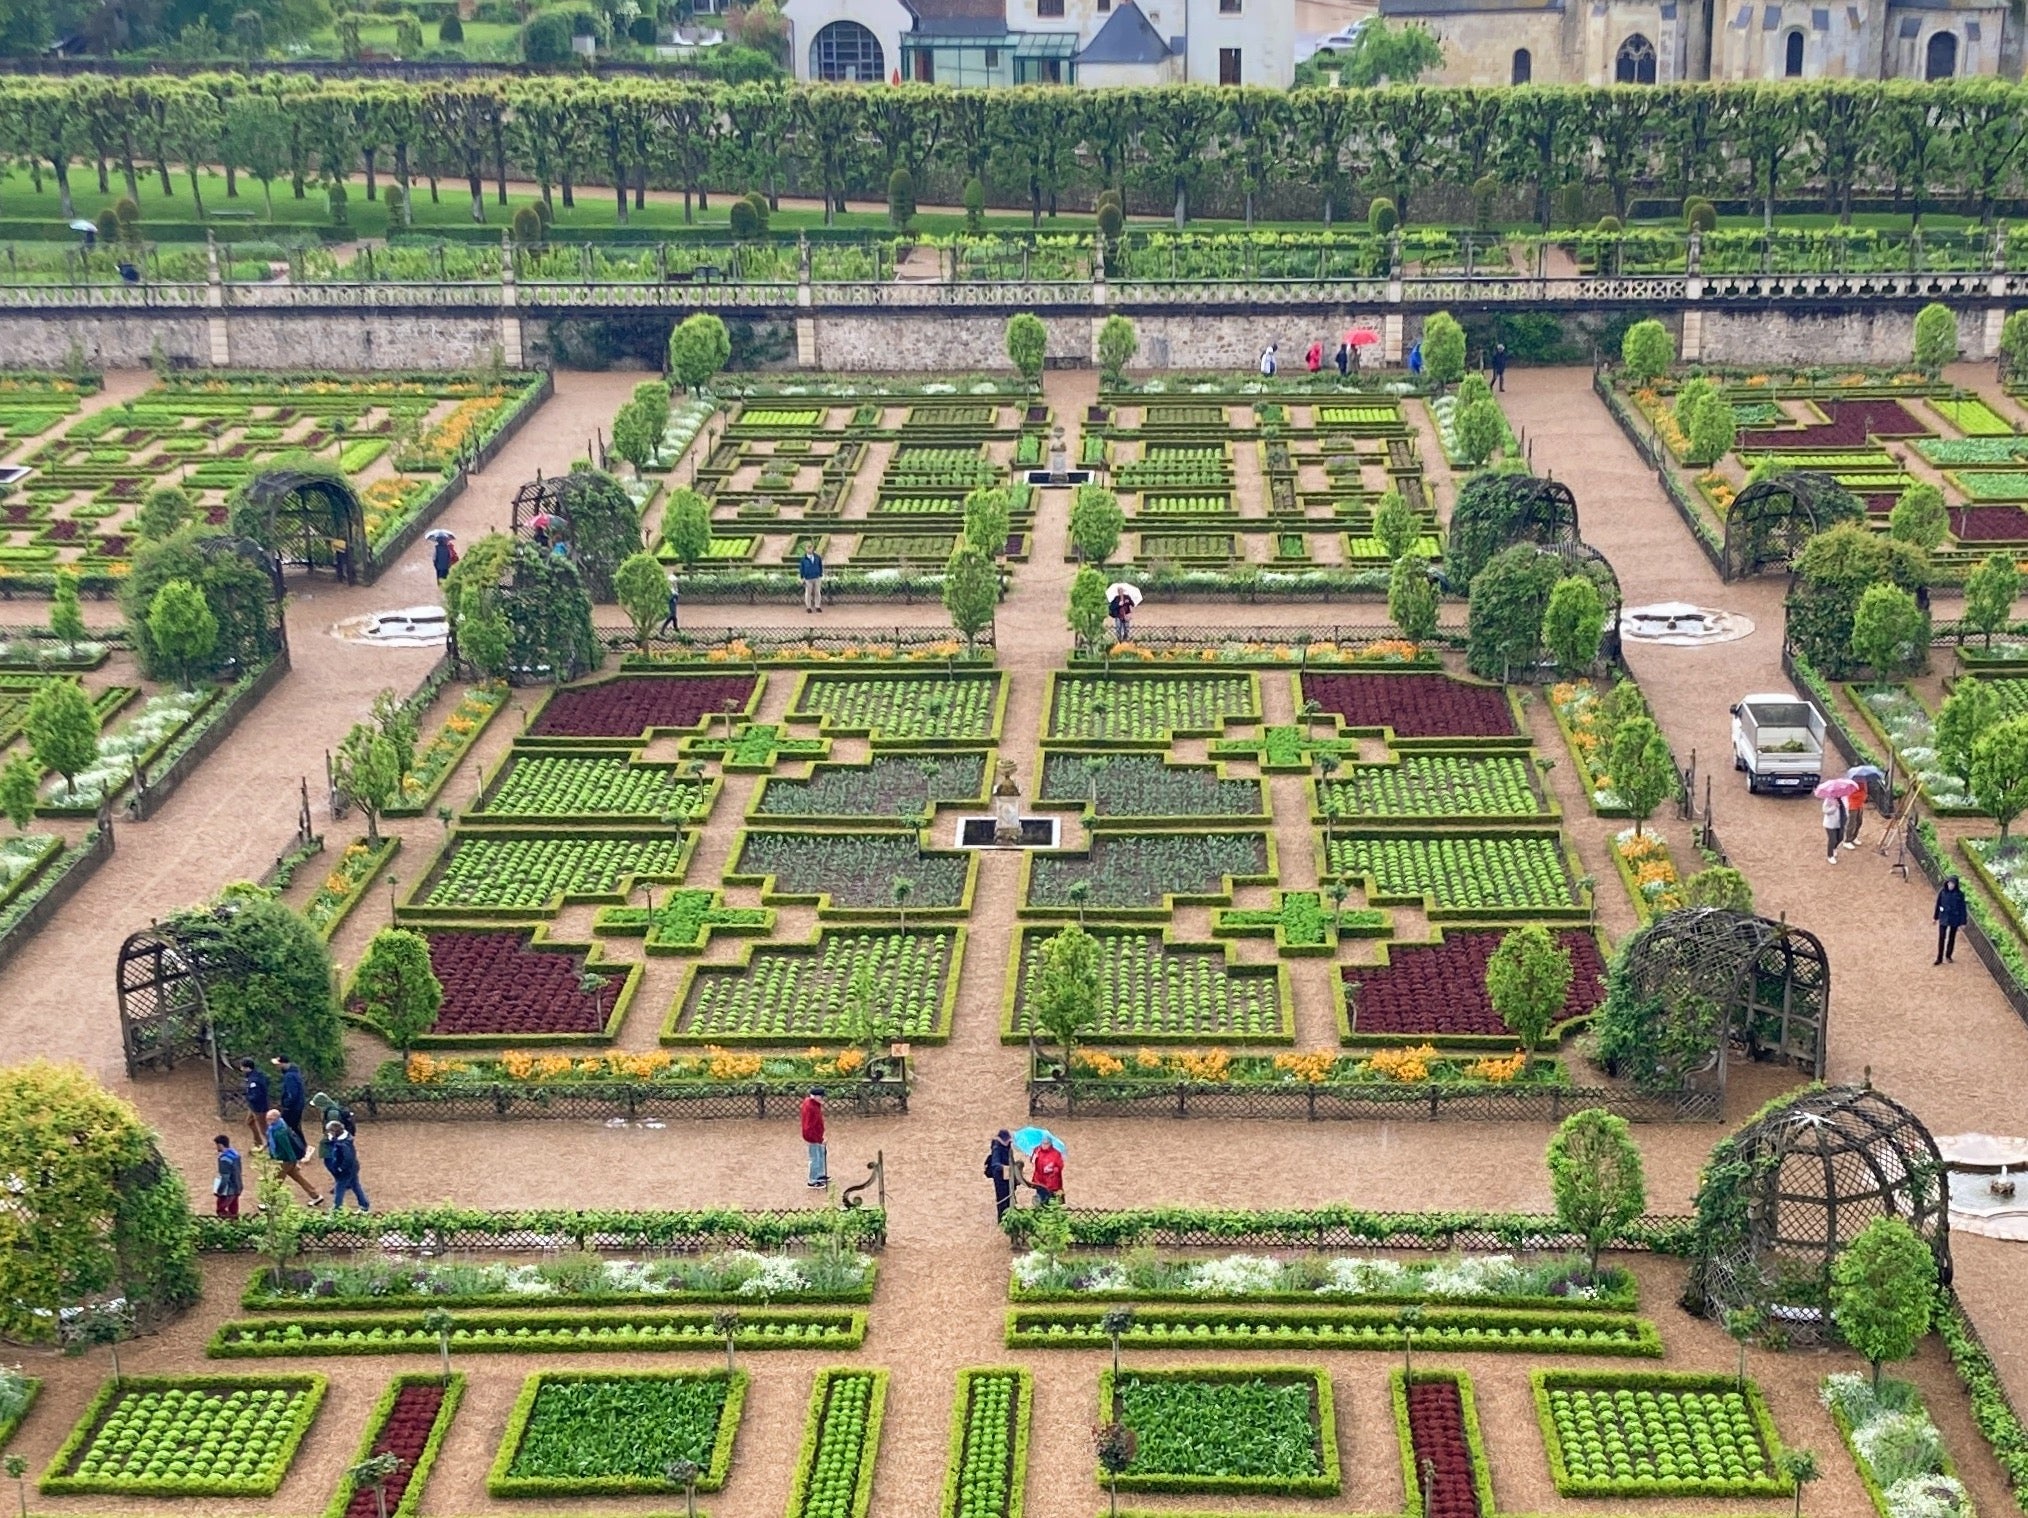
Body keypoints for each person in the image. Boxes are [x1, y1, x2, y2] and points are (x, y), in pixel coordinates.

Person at [265, 1108, 321, 1204]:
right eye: (268, 1119)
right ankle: (315, 1195)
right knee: (297, 1177)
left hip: (285, 1160)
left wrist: (294, 1161)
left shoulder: (280, 1132)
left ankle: (269, 1201)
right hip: (286, 1159)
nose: (268, 1121)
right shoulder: (278, 1126)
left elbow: (288, 1148)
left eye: (271, 1119)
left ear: (277, 1119)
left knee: (276, 1180)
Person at [320, 1120, 369, 1212]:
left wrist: (340, 1168)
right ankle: (364, 1206)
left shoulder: (342, 1144)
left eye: (330, 1131)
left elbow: (348, 1158)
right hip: (353, 1168)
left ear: (335, 1132)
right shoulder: (344, 1140)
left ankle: (336, 1210)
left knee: (339, 1188)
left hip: (346, 1170)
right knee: (355, 1185)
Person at [273, 1056, 306, 1148]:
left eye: (278, 1064)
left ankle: (300, 1146)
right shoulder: (293, 1074)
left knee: (290, 1126)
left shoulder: (289, 1076)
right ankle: (300, 1145)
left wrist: (286, 1105)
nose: (277, 1067)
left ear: (283, 1063)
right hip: (296, 1105)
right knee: (293, 1126)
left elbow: (292, 1093)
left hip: (293, 1107)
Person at [1935, 877, 1969, 964]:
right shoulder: (1942, 892)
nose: (1951, 885)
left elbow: (1962, 909)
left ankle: (1948, 955)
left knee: (1952, 938)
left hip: (1954, 918)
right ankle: (1939, 958)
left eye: (1952, 884)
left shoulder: (1959, 894)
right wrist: (1935, 917)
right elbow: (1938, 904)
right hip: (1944, 917)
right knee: (1942, 938)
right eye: (1949, 883)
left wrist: (1963, 922)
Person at [239, 1058, 270, 1152]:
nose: (241, 1069)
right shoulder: (257, 1075)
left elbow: (256, 1095)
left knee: (264, 1129)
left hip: (259, 1108)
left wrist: (248, 1097)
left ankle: (272, 1148)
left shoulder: (254, 1080)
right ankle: (258, 1143)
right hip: (253, 1106)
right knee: (249, 1122)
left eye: (242, 1067)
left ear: (247, 1068)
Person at [984, 1129, 1015, 1221]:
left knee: (1009, 1197)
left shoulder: (1008, 1148)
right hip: (1000, 1178)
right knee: (1002, 1198)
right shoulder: (997, 1149)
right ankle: (1002, 1219)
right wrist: (1004, 1167)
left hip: (1007, 1176)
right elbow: (995, 1164)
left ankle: (1009, 1216)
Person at [800, 1087, 828, 1188]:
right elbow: (809, 1126)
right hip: (813, 1137)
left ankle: (819, 1175)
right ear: (815, 1096)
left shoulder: (813, 1104)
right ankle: (812, 1180)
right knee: (815, 1157)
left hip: (817, 1135)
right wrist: (819, 1139)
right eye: (821, 1096)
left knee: (820, 1155)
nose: (822, 1099)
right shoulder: (811, 1107)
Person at [212, 1134, 243, 1219]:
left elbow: (225, 1177)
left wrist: (219, 1191)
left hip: (229, 1190)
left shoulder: (224, 1159)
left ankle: (226, 1226)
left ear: (220, 1145)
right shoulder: (236, 1155)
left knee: (220, 1210)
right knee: (234, 1210)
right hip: (237, 1186)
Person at [1028, 1136, 1064, 1206]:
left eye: (1046, 1144)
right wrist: (1033, 1156)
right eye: (1043, 1143)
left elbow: (1060, 1166)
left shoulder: (1056, 1153)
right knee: (1040, 1200)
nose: (1044, 1145)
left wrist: (1053, 1169)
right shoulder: (1037, 1150)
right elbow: (1032, 1161)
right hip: (1039, 1181)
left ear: (1050, 1144)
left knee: (1051, 1202)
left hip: (1052, 1182)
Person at [799, 545, 825, 614]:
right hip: (808, 578)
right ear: (806, 549)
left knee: (817, 592)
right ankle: (808, 607)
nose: (809, 549)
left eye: (811, 548)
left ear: (813, 549)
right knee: (808, 593)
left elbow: (820, 566)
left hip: (817, 577)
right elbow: (801, 569)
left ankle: (817, 606)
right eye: (808, 548)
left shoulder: (817, 557)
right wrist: (802, 577)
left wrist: (820, 574)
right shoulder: (803, 559)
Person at [1822, 794, 1846, 864]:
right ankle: (1830, 856)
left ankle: (1834, 848)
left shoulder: (1843, 799)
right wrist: (1834, 807)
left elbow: (1846, 808)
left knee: (1840, 837)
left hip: (1840, 822)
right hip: (1830, 824)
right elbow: (1825, 810)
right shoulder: (1828, 799)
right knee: (1832, 839)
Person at [1843, 780, 1867, 850]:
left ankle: (1854, 837)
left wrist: (1863, 794)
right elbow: (1851, 794)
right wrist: (1861, 794)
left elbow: (1865, 791)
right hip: (1853, 805)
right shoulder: (1851, 783)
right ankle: (1847, 840)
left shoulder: (1863, 782)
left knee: (1859, 822)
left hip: (1860, 805)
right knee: (1851, 823)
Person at [658, 573, 681, 638]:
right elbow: (669, 597)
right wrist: (673, 597)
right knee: (672, 616)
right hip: (671, 602)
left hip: (674, 602)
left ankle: (676, 629)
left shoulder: (674, 587)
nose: (675, 583)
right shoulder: (670, 588)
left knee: (674, 617)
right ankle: (662, 630)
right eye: (674, 581)